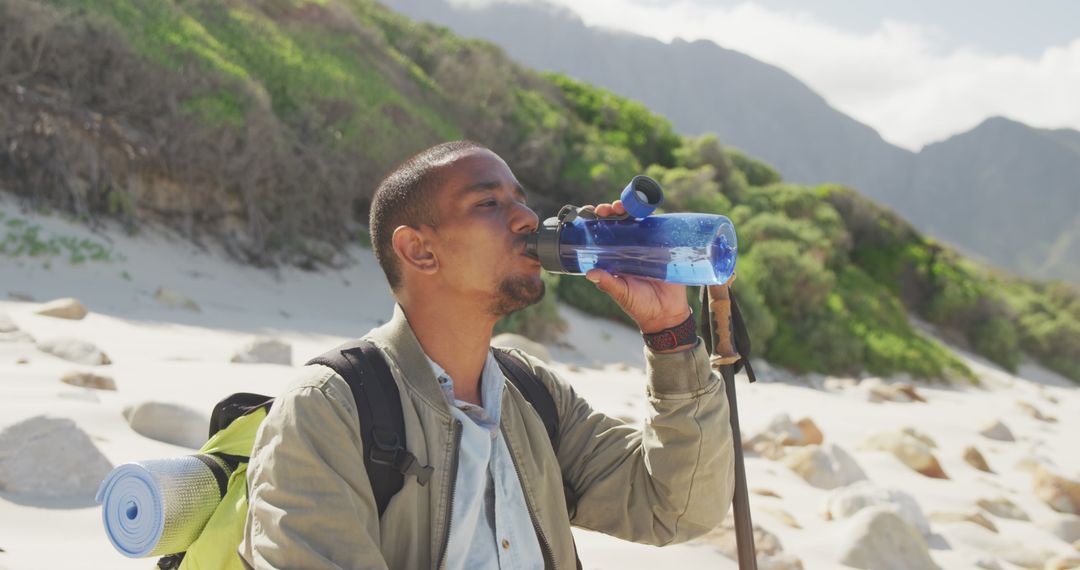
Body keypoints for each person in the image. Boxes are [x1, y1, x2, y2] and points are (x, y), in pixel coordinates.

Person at [240, 141, 735, 569]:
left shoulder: (534, 396)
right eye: (488, 203)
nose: (526, 218)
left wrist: (670, 332)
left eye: (520, 201)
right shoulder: (328, 411)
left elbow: (675, 507)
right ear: (419, 251)